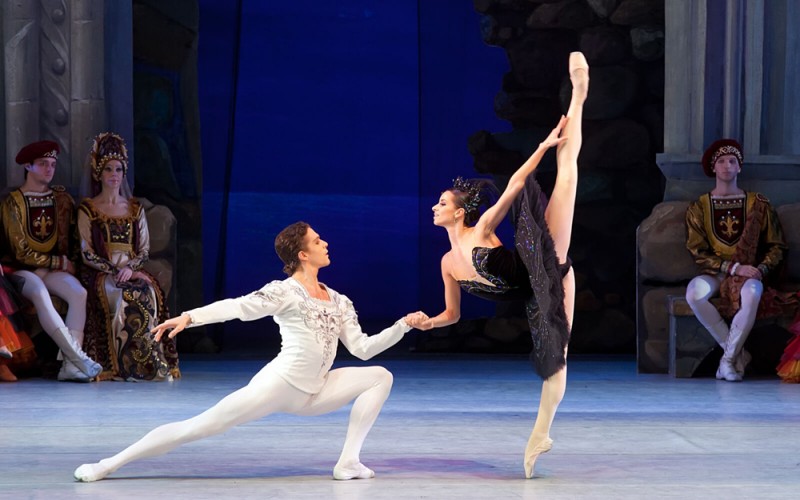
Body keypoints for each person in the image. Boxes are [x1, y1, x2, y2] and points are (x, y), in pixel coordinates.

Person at [74, 221, 426, 482]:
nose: (326, 243)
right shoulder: (284, 291)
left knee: (379, 376)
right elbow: (237, 307)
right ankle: (109, 464)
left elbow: (363, 349)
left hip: (315, 391)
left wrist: (403, 325)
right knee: (199, 426)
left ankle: (348, 461)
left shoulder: (338, 300)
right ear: (303, 254)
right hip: (279, 384)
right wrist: (190, 317)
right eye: (318, 241)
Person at [417, 52, 588, 478]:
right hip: (535, 292)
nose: (434, 206)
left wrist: (543, 146)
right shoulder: (446, 263)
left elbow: (513, 186)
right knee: (553, 358)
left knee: (566, 176)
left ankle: (580, 96)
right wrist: (428, 323)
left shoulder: (479, 231)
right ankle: (542, 434)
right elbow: (452, 315)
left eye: (441, 203)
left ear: (459, 213)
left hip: (544, 264)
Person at [77, 132, 179, 381]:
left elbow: (143, 249)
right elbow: (86, 251)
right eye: (109, 169)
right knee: (118, 296)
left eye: (118, 169)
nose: (114, 174)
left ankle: (146, 364)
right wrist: (113, 269)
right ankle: (118, 365)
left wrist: (132, 269)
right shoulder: (88, 208)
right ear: (99, 173)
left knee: (148, 294)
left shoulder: (134, 208)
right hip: (102, 271)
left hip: (131, 269)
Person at [685, 139, 788, 382]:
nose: (727, 166)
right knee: (694, 293)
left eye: (733, 161)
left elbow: (777, 246)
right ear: (713, 167)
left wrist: (760, 269)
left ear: (739, 167)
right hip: (717, 271)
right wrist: (731, 267)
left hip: (749, 272)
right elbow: (696, 249)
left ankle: (729, 361)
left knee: (753, 292)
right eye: (721, 161)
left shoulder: (758, 204)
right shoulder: (699, 207)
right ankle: (737, 355)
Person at [0, 140, 101, 382]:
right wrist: (58, 263)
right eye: (43, 164)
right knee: (39, 292)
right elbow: (20, 251)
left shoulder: (61, 199)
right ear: (28, 166)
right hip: (20, 271)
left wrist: (64, 264)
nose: (49, 169)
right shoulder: (13, 202)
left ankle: (70, 364)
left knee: (78, 293)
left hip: (49, 268)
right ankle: (78, 357)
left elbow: (73, 240)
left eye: (52, 164)